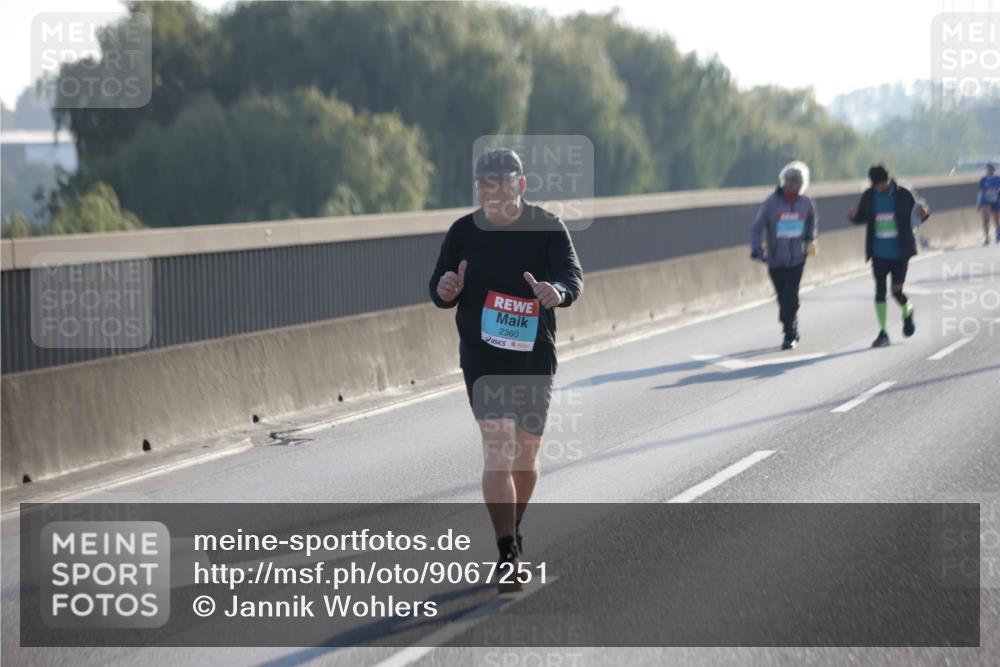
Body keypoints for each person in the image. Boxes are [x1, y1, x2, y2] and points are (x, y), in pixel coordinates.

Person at [429, 147, 583, 593]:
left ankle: (513, 528)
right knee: (498, 448)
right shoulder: (463, 231)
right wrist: (445, 288)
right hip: (483, 357)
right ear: (478, 189)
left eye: (502, 184)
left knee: (525, 458)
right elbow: (440, 286)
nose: (493, 193)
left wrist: (556, 291)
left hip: (534, 354)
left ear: (521, 184)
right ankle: (507, 551)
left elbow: (572, 276)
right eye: (485, 186)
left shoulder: (547, 226)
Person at [848, 165, 930, 348]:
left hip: (900, 252)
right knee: (880, 291)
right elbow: (861, 217)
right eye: (876, 185)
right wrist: (853, 215)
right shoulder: (869, 195)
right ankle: (883, 333)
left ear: (888, 179)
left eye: (882, 184)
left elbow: (917, 216)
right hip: (878, 252)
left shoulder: (903, 194)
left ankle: (908, 312)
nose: (879, 188)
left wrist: (923, 215)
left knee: (896, 291)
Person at [750, 161, 818, 350]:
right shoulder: (771, 203)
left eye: (796, 180)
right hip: (775, 259)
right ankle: (788, 320)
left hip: (797, 258)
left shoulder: (805, 203)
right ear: (783, 180)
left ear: (801, 183)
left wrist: (810, 237)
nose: (791, 184)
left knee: (791, 295)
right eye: (788, 180)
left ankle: (790, 334)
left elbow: (811, 221)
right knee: (783, 298)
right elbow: (756, 228)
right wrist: (757, 248)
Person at [977, 163, 1000, 245]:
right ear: (987, 170)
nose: (990, 171)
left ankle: (998, 235)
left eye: (992, 169)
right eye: (989, 169)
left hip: (995, 200)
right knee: (985, 219)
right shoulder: (983, 180)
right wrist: (978, 203)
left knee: (996, 220)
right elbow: (980, 192)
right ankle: (987, 238)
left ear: (994, 170)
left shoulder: (998, 179)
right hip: (985, 200)